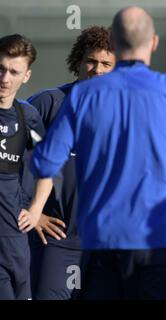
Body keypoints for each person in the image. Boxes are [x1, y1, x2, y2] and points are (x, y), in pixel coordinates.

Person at [28, 6, 166, 299]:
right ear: (154, 42)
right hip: (161, 246)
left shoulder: (83, 96)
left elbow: (44, 163)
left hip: (102, 246)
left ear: (115, 45)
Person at [21, 26, 115, 300]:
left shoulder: (126, 113)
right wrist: (30, 210)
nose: (97, 70)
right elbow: (9, 163)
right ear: (77, 62)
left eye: (107, 64)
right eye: (91, 61)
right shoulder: (47, 104)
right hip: (55, 242)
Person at [0, 34, 49, 299]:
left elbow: (48, 167)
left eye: (13, 72)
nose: (5, 78)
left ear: (26, 76)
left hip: (16, 241)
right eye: (1, 69)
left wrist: (36, 210)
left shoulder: (28, 117)